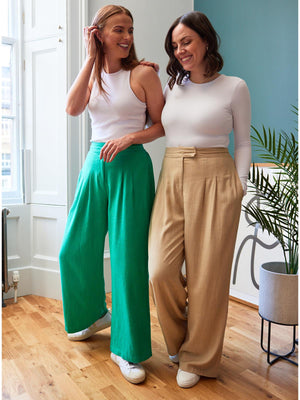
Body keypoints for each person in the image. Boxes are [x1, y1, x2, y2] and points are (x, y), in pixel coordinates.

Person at [59, 5, 164, 385]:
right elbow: (72, 109)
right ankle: (93, 315)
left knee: (127, 260)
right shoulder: (93, 76)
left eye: (130, 30)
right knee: (73, 248)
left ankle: (129, 349)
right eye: (118, 29)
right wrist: (89, 59)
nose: (127, 37)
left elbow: (162, 124)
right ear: (99, 33)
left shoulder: (144, 74)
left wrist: (130, 137)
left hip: (131, 166)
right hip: (94, 162)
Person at [148, 11, 251, 388]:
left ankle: (199, 357)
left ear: (206, 40)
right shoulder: (173, 85)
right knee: (160, 269)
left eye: (186, 41)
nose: (181, 51)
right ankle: (179, 343)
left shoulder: (235, 87)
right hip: (172, 174)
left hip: (216, 175)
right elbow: (152, 121)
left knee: (208, 275)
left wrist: (237, 187)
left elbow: (242, 142)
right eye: (175, 46)